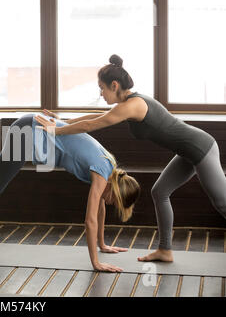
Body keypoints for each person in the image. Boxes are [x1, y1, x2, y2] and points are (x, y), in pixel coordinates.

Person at [35, 54, 226, 262]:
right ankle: (165, 250)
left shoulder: (132, 105)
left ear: (114, 85)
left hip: (201, 148)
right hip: (187, 152)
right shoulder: (127, 103)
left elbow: (93, 125)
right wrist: (64, 121)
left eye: (102, 88)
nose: (101, 93)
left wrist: (57, 131)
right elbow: (96, 117)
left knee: (222, 203)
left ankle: (165, 250)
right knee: (160, 192)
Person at [0, 114, 140, 272]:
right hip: (28, 131)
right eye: (114, 202)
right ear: (115, 191)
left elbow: (100, 208)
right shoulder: (101, 173)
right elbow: (90, 220)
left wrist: (102, 244)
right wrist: (96, 262)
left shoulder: (111, 168)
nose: (110, 203)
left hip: (32, 127)